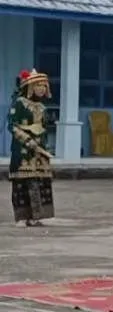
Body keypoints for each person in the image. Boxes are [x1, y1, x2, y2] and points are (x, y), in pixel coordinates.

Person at [7, 69, 55, 227]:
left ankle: (35, 216)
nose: (42, 89)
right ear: (30, 87)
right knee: (22, 183)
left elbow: (44, 129)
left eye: (44, 86)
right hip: (23, 150)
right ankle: (21, 217)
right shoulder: (20, 103)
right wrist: (28, 141)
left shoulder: (42, 107)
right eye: (38, 85)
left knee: (38, 184)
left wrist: (44, 147)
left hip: (40, 152)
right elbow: (12, 126)